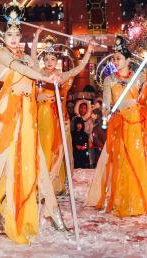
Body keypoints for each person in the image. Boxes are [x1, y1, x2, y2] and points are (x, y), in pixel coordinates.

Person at [0, 1, 65, 244]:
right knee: (1, 163)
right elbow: (25, 71)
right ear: (4, 37)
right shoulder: (2, 54)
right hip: (8, 111)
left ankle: (52, 210)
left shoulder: (23, 55)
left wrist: (50, 72)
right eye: (9, 34)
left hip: (27, 110)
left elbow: (36, 68)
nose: (13, 38)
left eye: (16, 34)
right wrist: (45, 76)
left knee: (35, 159)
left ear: (20, 36)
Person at [86, 34, 147, 217]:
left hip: (135, 123)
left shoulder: (137, 77)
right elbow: (106, 104)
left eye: (119, 58)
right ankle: (123, 198)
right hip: (119, 123)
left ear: (128, 60)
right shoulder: (109, 80)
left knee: (137, 158)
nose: (115, 62)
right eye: (114, 59)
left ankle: (138, 200)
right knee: (120, 160)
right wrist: (105, 111)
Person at [30, 32, 95, 192]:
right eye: (46, 59)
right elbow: (32, 58)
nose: (49, 62)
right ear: (43, 60)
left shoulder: (61, 76)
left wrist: (88, 51)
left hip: (55, 115)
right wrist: (36, 37)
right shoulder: (39, 72)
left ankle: (52, 182)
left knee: (55, 147)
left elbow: (79, 68)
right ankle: (40, 180)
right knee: (42, 145)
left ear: (57, 61)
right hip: (40, 114)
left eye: (52, 59)